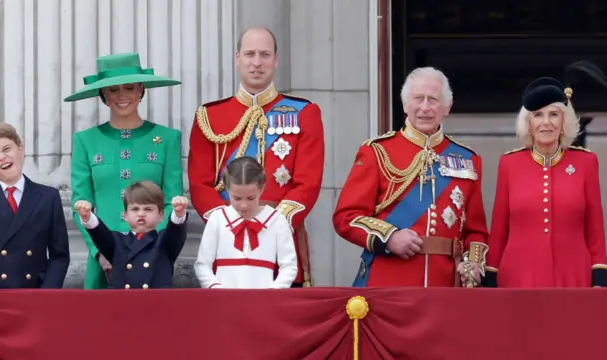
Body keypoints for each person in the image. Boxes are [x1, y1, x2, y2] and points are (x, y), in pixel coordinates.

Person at [188, 27, 324, 287]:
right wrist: (227, 224)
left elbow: (308, 183)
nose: (257, 62)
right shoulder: (209, 116)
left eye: (265, 54)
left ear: (276, 59)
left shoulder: (305, 113)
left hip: (280, 240)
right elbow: (199, 183)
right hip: (226, 242)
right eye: (250, 54)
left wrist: (272, 224)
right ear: (237, 58)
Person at [333, 67, 489, 288]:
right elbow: (346, 217)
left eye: (433, 99)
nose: (425, 107)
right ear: (405, 104)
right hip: (389, 281)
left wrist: (472, 263)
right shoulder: (377, 152)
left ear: (447, 107)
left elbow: (476, 231)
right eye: (418, 99)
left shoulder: (468, 160)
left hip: (444, 284)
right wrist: (389, 237)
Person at [65, 52, 183, 290]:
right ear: (103, 95)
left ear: (141, 89)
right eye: (113, 90)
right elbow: (81, 203)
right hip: (104, 260)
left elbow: (171, 201)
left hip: (153, 259)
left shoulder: (168, 139)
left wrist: (155, 248)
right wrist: (100, 251)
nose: (122, 96)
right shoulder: (85, 140)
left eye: (129, 88)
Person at [483, 66, 607, 288]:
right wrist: (491, 275)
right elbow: (499, 228)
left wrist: (599, 275)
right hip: (519, 278)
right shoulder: (509, 164)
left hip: (574, 276)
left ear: (563, 122)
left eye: (553, 114)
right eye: (538, 115)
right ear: (528, 124)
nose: (546, 122)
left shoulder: (585, 163)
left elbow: (595, 229)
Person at [0, 122, 70, 289]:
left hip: (35, 291)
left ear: (21, 149)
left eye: (7, 149)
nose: (1, 157)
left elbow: (60, 256)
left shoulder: (48, 197)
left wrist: (48, 294)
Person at [194, 156, 297, 289]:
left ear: (262, 188)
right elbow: (202, 264)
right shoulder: (218, 218)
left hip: (264, 301)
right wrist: (216, 288)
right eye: (237, 198)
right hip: (223, 301)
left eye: (250, 198)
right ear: (227, 189)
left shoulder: (277, 220)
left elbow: (289, 265)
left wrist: (274, 291)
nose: (243, 205)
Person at [74, 180, 188, 289]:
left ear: (161, 215)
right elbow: (99, 233)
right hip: (122, 304)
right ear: (125, 216)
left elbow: (175, 232)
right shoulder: (117, 241)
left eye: (148, 209)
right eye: (135, 209)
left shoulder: (164, 241)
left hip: (156, 304)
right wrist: (87, 217)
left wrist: (178, 214)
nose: (141, 214)